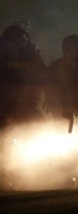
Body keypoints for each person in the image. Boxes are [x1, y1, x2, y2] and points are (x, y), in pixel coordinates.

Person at [0, 24, 46, 188]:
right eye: (18, 40)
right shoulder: (3, 54)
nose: (21, 43)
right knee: (4, 140)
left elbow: (42, 77)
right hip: (5, 101)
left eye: (23, 40)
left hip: (26, 101)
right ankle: (5, 176)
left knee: (25, 137)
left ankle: (19, 175)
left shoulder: (31, 53)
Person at [45, 35, 78, 131]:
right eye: (73, 48)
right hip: (61, 107)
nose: (76, 51)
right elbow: (49, 87)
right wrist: (54, 102)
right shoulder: (55, 67)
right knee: (61, 130)